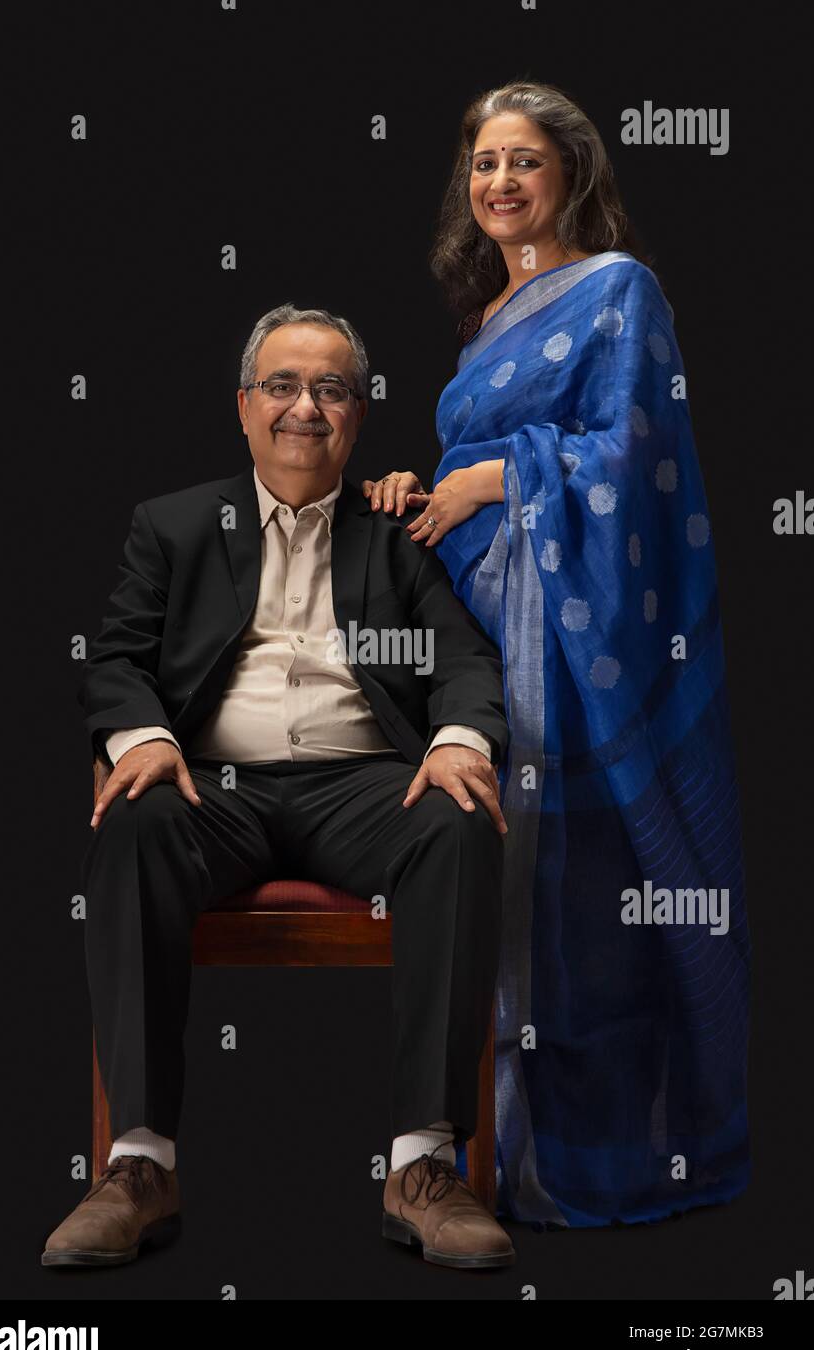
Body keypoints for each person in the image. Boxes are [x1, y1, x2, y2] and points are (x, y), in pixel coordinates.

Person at [42, 303, 517, 1272]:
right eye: (285, 386)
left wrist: (462, 738)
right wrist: (140, 736)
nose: (307, 406)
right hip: (213, 785)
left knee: (460, 823)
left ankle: (424, 1165)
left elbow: (465, 661)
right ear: (246, 407)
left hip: (364, 785)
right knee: (133, 818)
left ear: (358, 413)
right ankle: (138, 1165)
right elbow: (116, 660)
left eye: (332, 388)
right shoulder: (173, 526)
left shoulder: (398, 532)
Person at [362, 80, 751, 1228]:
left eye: (523, 161)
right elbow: (465, 477)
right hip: (482, 625)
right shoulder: (488, 320)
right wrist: (422, 485)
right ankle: (475, 1160)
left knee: (587, 890)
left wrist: (494, 477)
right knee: (496, 868)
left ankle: (589, 1161)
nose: (499, 182)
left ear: (573, 174)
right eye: (482, 163)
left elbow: (636, 452)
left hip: (580, 637)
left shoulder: (619, 289)